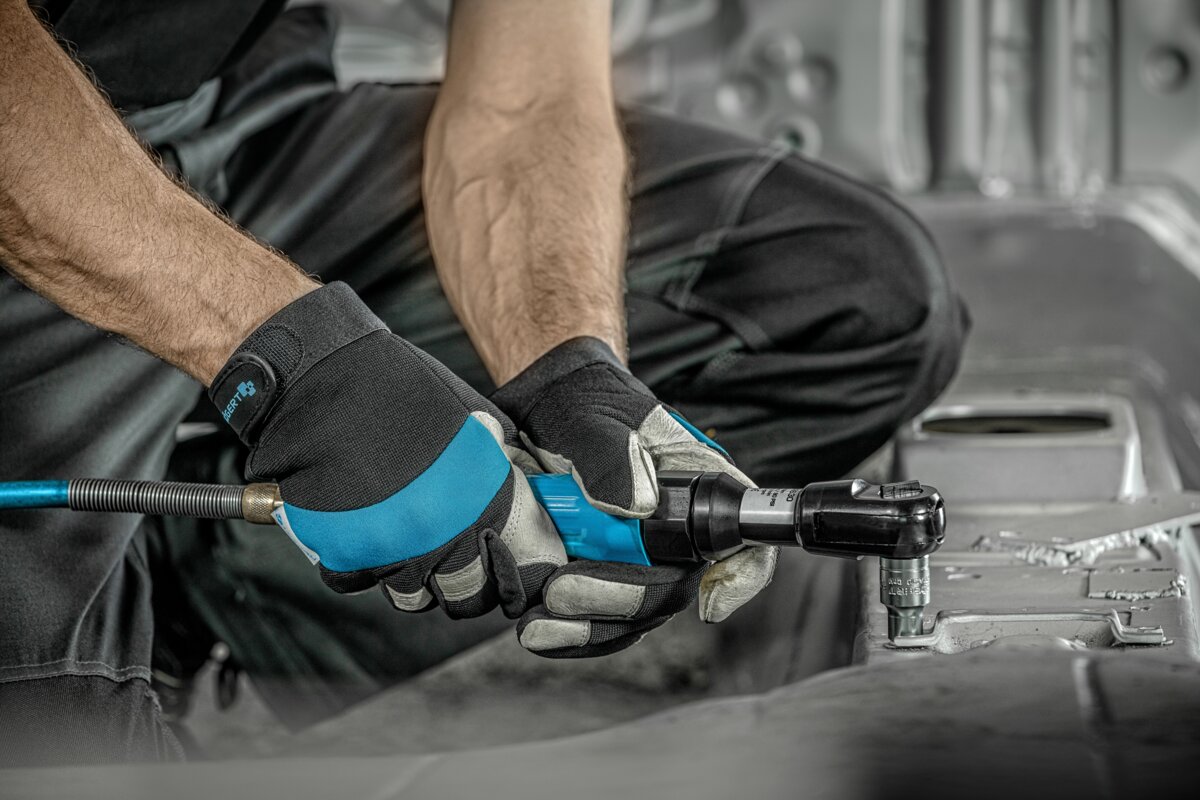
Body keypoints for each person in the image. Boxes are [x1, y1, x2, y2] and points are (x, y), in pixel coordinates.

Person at [0, 0, 967, 765]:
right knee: (65, 760)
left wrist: (574, 372)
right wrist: (301, 366)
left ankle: (200, 578)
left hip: (241, 125)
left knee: (854, 297)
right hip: (29, 160)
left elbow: (525, 99)